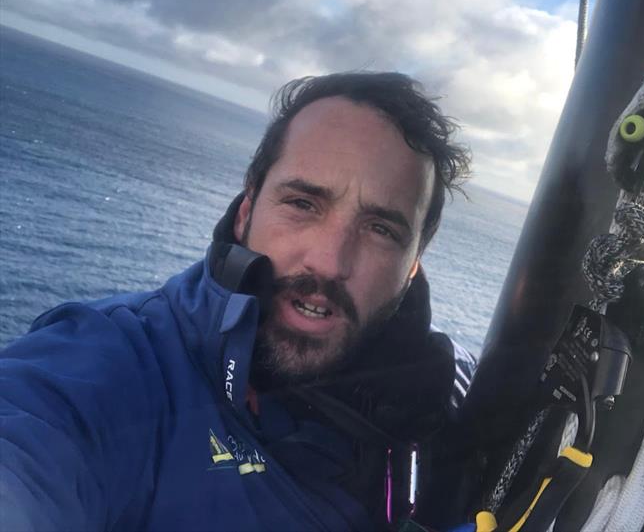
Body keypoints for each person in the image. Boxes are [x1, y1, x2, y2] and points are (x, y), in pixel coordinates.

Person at [0, 72, 475, 531]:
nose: (330, 262)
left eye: (380, 230)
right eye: (302, 204)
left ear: (413, 264)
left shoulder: (438, 399)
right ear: (248, 210)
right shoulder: (122, 370)